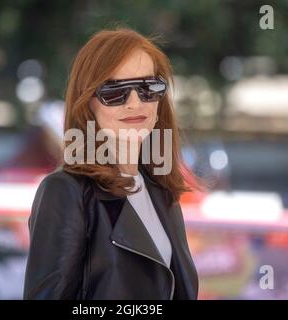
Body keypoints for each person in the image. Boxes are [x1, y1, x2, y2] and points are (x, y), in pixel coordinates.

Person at [23, 27, 201, 300]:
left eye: (148, 88)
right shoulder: (65, 191)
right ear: (87, 105)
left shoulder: (162, 191)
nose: (134, 103)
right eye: (114, 92)